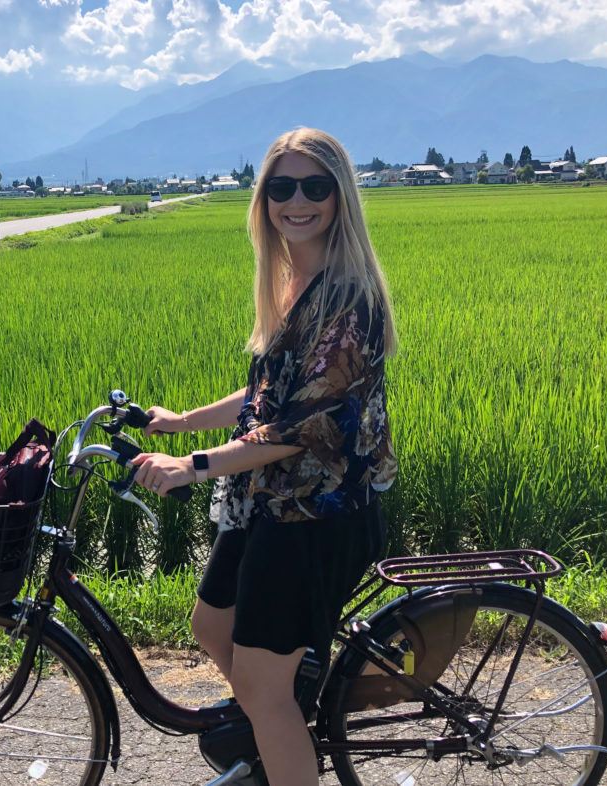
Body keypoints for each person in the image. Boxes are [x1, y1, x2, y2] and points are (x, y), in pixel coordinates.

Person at [129, 127, 398, 786]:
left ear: (340, 197)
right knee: (211, 623)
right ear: (264, 199)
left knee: (261, 684)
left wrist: (191, 465)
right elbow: (265, 394)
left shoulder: (348, 300)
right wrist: (183, 422)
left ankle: (279, 733)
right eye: (282, 187)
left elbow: (297, 429)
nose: (296, 201)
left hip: (317, 514)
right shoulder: (291, 281)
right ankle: (280, 730)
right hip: (269, 500)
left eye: (314, 186)